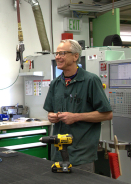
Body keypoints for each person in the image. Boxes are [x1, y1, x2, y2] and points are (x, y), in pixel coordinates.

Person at [43, 39, 112, 172]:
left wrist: (76, 117)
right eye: (56, 53)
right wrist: (52, 116)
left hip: (81, 154)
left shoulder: (91, 80)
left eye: (62, 53)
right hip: (58, 153)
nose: (57, 57)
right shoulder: (55, 84)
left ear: (75, 56)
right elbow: (50, 111)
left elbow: (107, 114)